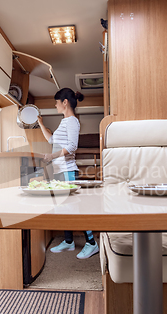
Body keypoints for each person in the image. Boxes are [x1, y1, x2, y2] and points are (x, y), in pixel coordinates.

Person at [37, 88, 99, 259]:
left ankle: (92, 244)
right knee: (65, 208)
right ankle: (69, 241)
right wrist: (41, 124)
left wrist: (52, 155)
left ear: (65, 102)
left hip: (68, 171)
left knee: (77, 209)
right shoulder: (64, 122)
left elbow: (72, 146)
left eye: (57, 103)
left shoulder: (72, 121)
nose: (55, 106)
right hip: (60, 171)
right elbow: (52, 140)